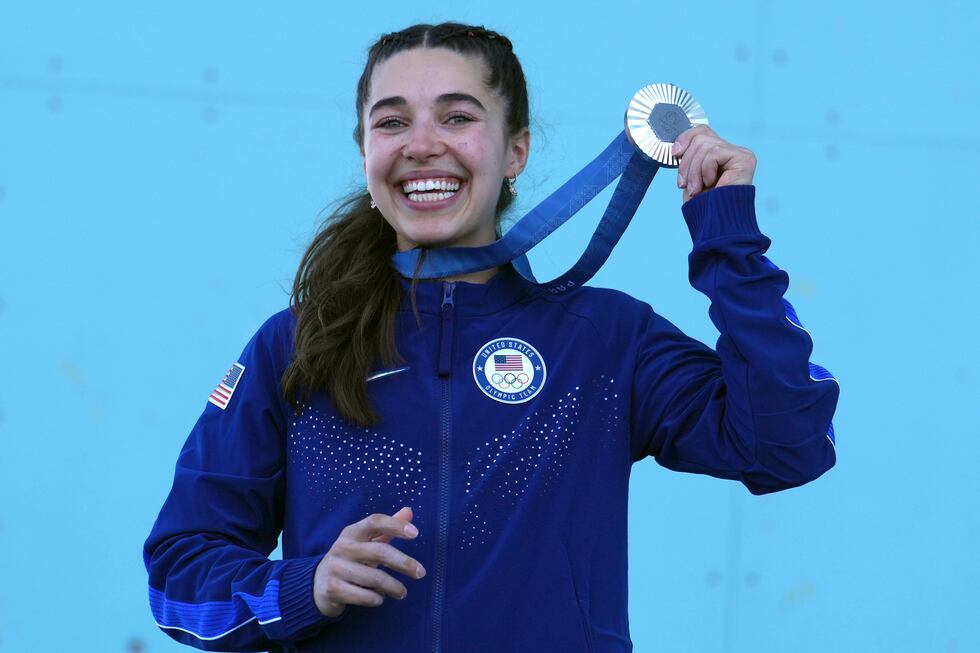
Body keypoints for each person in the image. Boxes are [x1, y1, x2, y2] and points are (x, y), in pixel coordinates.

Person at [143, 21, 840, 653]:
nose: (422, 144)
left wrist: (727, 236)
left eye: (457, 116)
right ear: (365, 153)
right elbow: (179, 574)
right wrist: (304, 587)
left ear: (515, 151)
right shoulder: (299, 345)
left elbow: (787, 445)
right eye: (392, 122)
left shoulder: (605, 341)